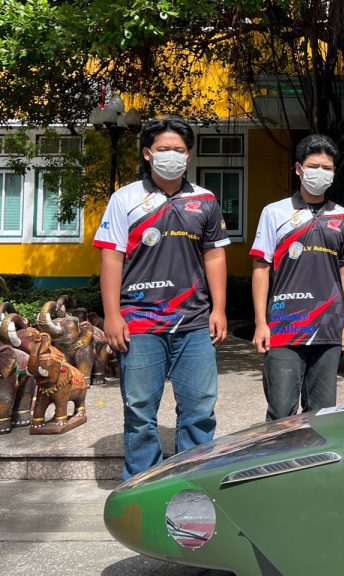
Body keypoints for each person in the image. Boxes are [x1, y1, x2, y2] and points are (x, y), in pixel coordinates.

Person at [94, 116, 230, 480]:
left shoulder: (204, 200)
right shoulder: (125, 199)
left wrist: (219, 309)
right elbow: (112, 257)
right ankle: (142, 483)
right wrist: (112, 315)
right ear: (147, 153)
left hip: (194, 322)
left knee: (200, 409)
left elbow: (214, 255)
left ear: (189, 155)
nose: (172, 155)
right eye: (163, 148)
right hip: (139, 322)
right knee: (140, 411)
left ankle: (194, 478)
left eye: (179, 149)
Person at [250, 134, 344, 420]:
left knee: (323, 415)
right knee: (281, 413)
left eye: (327, 168)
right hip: (284, 326)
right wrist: (260, 323)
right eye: (313, 166)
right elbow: (261, 267)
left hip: (328, 327)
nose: (320, 173)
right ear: (299, 168)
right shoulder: (275, 212)